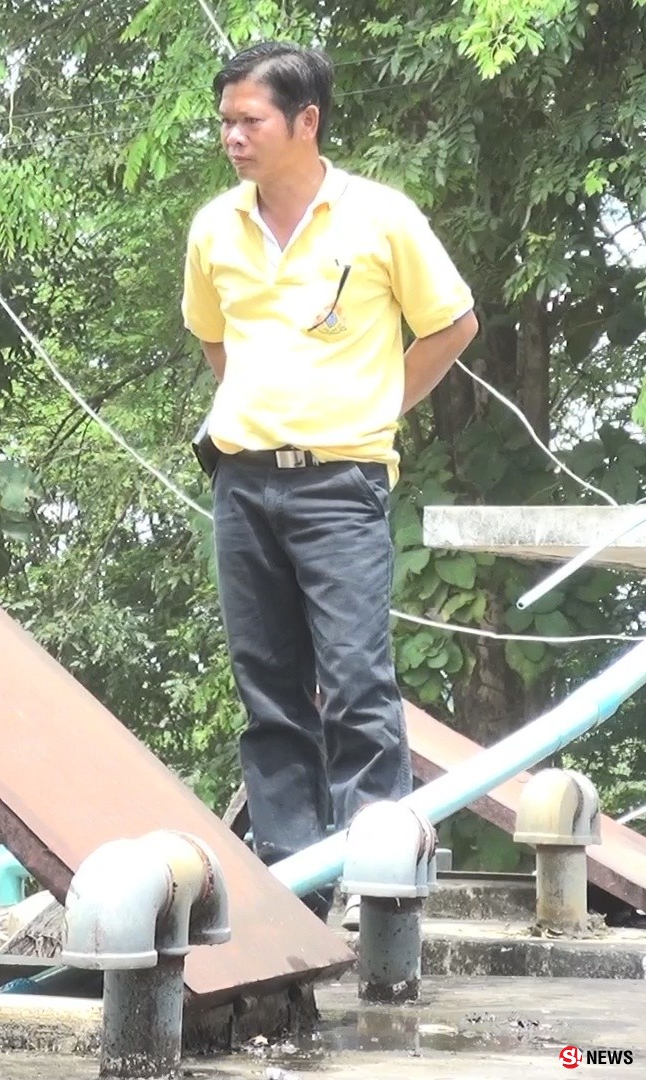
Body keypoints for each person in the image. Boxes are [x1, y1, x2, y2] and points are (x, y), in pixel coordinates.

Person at [181, 42, 479, 921]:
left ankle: (378, 883)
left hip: (340, 485)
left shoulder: (380, 219)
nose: (233, 137)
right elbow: (215, 343)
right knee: (267, 687)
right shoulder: (213, 229)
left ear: (305, 122)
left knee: (355, 682)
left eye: (251, 121)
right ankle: (292, 886)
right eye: (226, 121)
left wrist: (376, 407)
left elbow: (451, 324)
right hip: (241, 483)